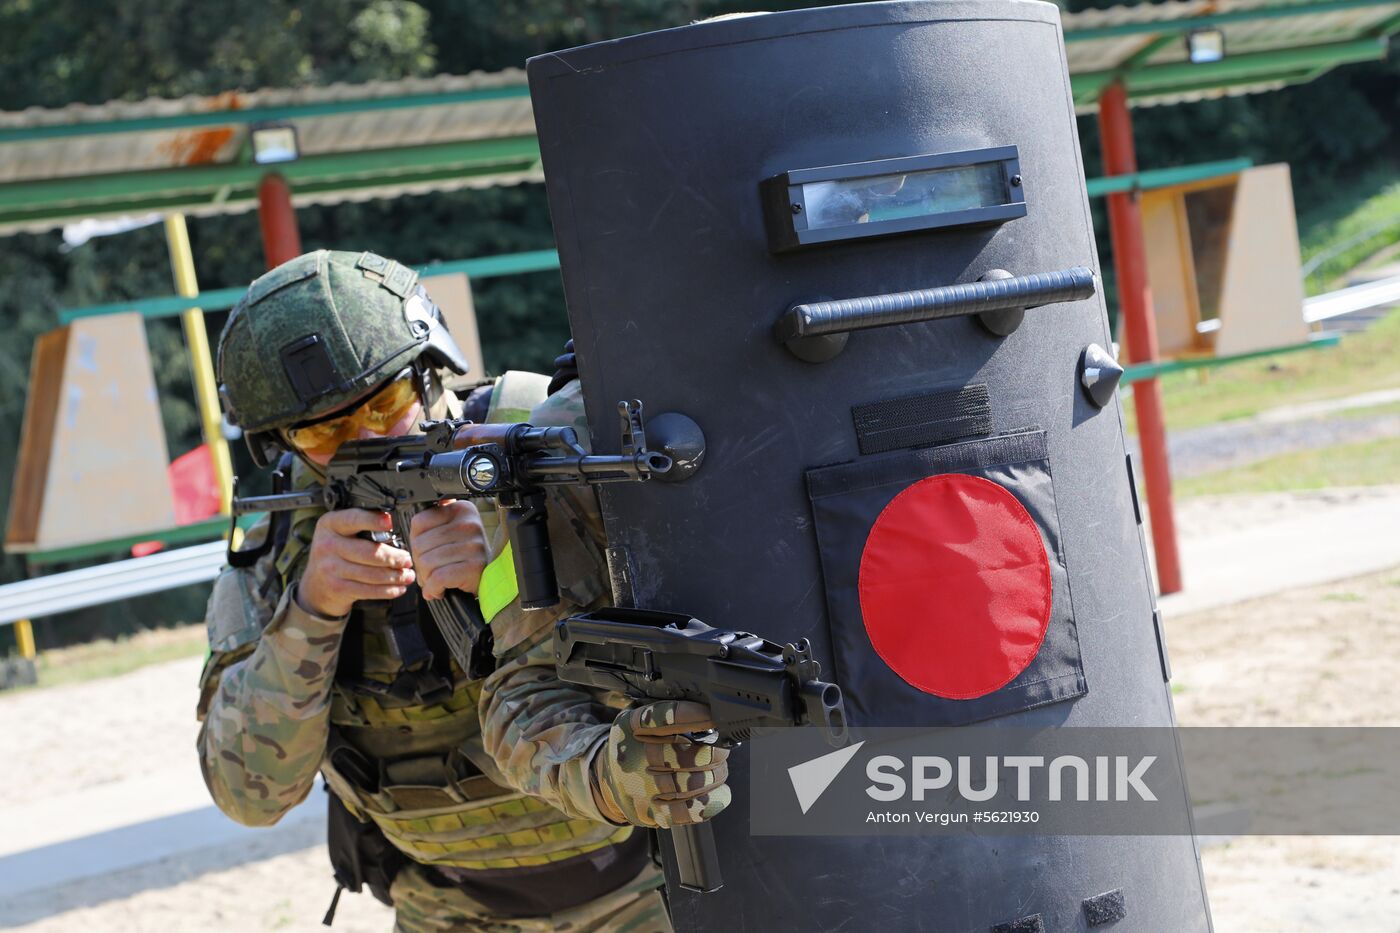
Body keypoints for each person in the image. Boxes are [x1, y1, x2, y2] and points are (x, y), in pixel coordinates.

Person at [197, 250, 730, 932]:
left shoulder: (540, 439)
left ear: (429, 371)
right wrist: (311, 611)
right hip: (444, 910)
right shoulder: (281, 535)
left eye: (386, 404)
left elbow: (695, 643)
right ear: (282, 445)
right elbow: (249, 794)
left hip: (647, 887)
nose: (363, 439)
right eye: (324, 431)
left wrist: (504, 577)